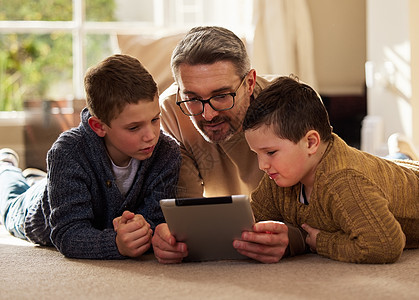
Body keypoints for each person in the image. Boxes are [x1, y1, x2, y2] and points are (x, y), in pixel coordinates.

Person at [0, 54, 181, 259]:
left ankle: (37, 178)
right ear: (99, 126)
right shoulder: (67, 151)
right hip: (35, 214)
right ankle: (5, 166)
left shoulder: (167, 152)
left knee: (44, 183)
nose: (151, 135)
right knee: (9, 199)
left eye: (155, 119)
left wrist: (145, 230)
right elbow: (67, 234)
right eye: (134, 127)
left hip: (63, 185)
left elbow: (156, 218)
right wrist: (115, 243)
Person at [153, 26, 307, 264]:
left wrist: (295, 239)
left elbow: (324, 205)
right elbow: (187, 212)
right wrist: (170, 238)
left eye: (222, 96)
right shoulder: (171, 111)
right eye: (192, 99)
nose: (208, 114)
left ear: (250, 82)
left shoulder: (295, 102)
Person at [242, 75, 419, 264]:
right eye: (257, 154)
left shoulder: (344, 182)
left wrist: (321, 242)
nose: (262, 165)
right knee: (385, 166)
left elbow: (384, 245)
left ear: (310, 143)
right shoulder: (279, 177)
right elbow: (253, 219)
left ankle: (402, 155)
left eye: (270, 152)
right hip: (379, 171)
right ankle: (401, 154)